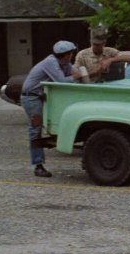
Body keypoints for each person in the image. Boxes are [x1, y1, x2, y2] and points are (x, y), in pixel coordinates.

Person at [21, 40, 85, 177]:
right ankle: (38, 165)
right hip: (31, 97)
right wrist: (76, 76)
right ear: (66, 54)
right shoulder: (50, 62)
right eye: (70, 53)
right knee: (35, 130)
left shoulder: (64, 64)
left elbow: (75, 77)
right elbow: (62, 81)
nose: (72, 56)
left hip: (41, 97)